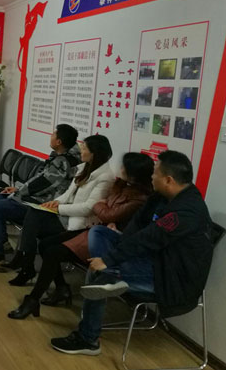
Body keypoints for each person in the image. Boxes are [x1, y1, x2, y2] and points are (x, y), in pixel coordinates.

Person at [50, 150, 213, 356]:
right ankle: (112, 276)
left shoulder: (187, 211)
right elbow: (138, 225)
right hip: (154, 259)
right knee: (100, 232)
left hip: (170, 277)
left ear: (169, 180)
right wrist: (115, 253)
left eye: (155, 173)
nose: (151, 176)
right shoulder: (163, 196)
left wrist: (108, 259)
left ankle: (88, 339)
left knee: (99, 273)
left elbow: (150, 237)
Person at [7, 152, 153, 319]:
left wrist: (103, 208)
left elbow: (105, 213)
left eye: (124, 166)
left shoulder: (139, 199)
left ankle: (33, 299)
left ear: (133, 173)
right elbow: (106, 210)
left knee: (52, 251)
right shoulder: (120, 185)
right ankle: (60, 288)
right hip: (96, 231)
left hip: (106, 243)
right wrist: (105, 209)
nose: (120, 168)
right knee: (45, 243)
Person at [6, 134, 114, 290]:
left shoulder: (105, 177)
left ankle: (28, 266)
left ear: (94, 153)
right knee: (35, 215)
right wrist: (55, 202)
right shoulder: (83, 168)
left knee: (39, 230)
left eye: (84, 148)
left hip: (80, 224)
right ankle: (33, 270)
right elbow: (68, 194)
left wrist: (58, 208)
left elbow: (88, 208)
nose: (81, 151)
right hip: (67, 216)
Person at [0, 124, 81, 271]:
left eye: (53, 135)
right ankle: (2, 245)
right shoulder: (60, 158)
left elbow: (42, 184)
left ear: (59, 142)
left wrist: (19, 193)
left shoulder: (63, 162)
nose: (50, 136)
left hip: (42, 207)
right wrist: (18, 189)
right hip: (37, 198)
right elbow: (40, 179)